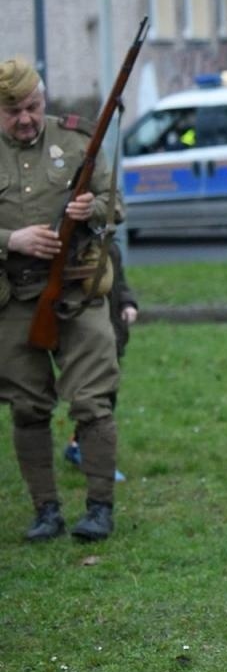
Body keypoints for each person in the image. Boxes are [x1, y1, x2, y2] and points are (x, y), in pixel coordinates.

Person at [0, 57, 121, 541]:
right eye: (13, 112)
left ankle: (99, 508)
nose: (26, 119)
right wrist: (12, 240)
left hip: (76, 289)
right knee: (27, 407)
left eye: (32, 107)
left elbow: (115, 204)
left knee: (93, 402)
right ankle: (45, 510)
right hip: (13, 298)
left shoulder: (77, 140)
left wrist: (92, 208)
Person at [64, 242, 135, 483]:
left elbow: (120, 282)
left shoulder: (109, 246)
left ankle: (78, 445)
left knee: (106, 394)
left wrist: (128, 303)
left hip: (111, 333)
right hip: (86, 335)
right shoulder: (74, 246)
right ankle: (90, 454)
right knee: (93, 397)